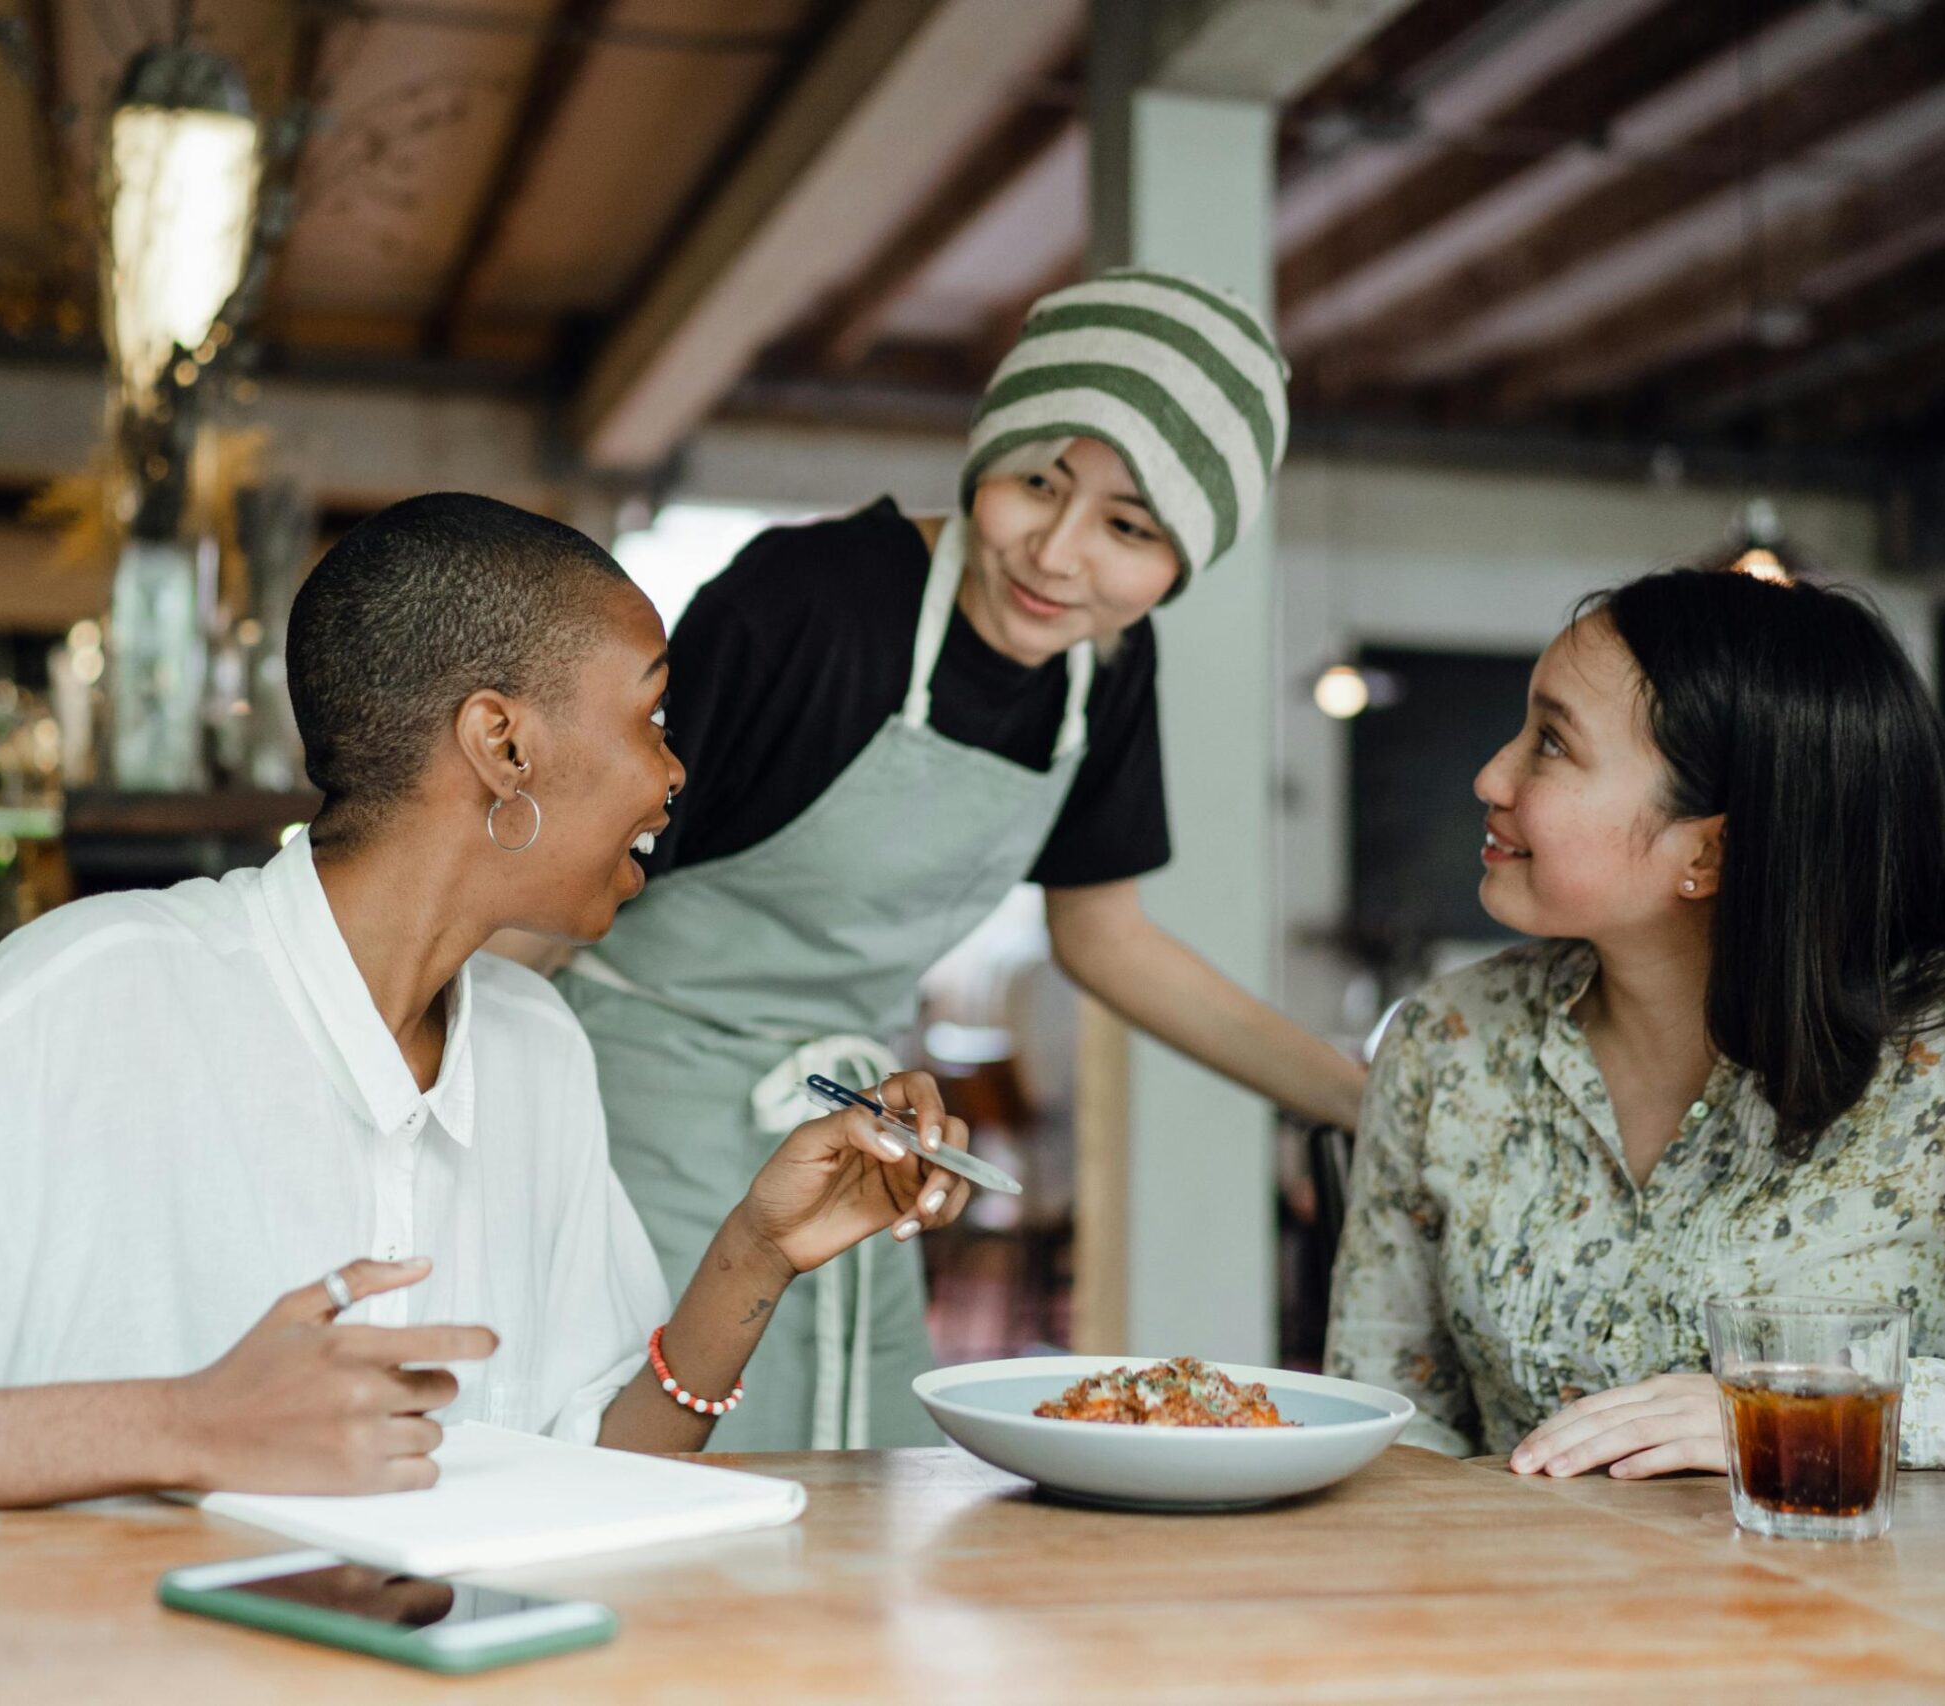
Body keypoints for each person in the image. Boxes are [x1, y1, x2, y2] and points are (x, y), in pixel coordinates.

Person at [0, 494, 976, 1555]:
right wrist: (178, 1423)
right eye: (651, 715)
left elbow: (583, 1482)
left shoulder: (536, 1048)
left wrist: (753, 1254)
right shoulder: (104, 994)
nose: (674, 775)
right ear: (502, 741)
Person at [532, 270, 1367, 1450]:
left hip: (854, 1121)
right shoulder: (808, 599)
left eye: (1128, 528)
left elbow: (1104, 936)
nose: (1059, 555)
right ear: (988, 450)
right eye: (1038, 482)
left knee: (859, 1479)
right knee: (665, 1465)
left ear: (1180, 567)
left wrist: (1361, 1102)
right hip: (637, 1109)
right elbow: (560, 874)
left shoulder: (1108, 673)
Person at [1325, 563, 1945, 1477]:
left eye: (1551, 743)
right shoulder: (1448, 1040)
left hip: (1845, 1611)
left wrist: (1807, 1412)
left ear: (1710, 849)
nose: (1491, 775)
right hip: (1510, 1608)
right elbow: (1388, 1425)